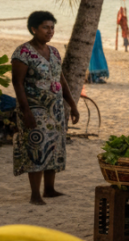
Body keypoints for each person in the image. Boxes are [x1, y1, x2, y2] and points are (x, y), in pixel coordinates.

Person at [11, 11, 80, 205]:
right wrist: (26, 112)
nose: (50, 31)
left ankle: (49, 189)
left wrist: (72, 105)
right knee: (37, 147)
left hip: (55, 110)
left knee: (54, 146)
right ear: (34, 29)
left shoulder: (54, 52)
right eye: (45, 27)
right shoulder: (23, 53)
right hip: (34, 110)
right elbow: (17, 83)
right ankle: (35, 194)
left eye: (52, 27)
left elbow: (61, 79)